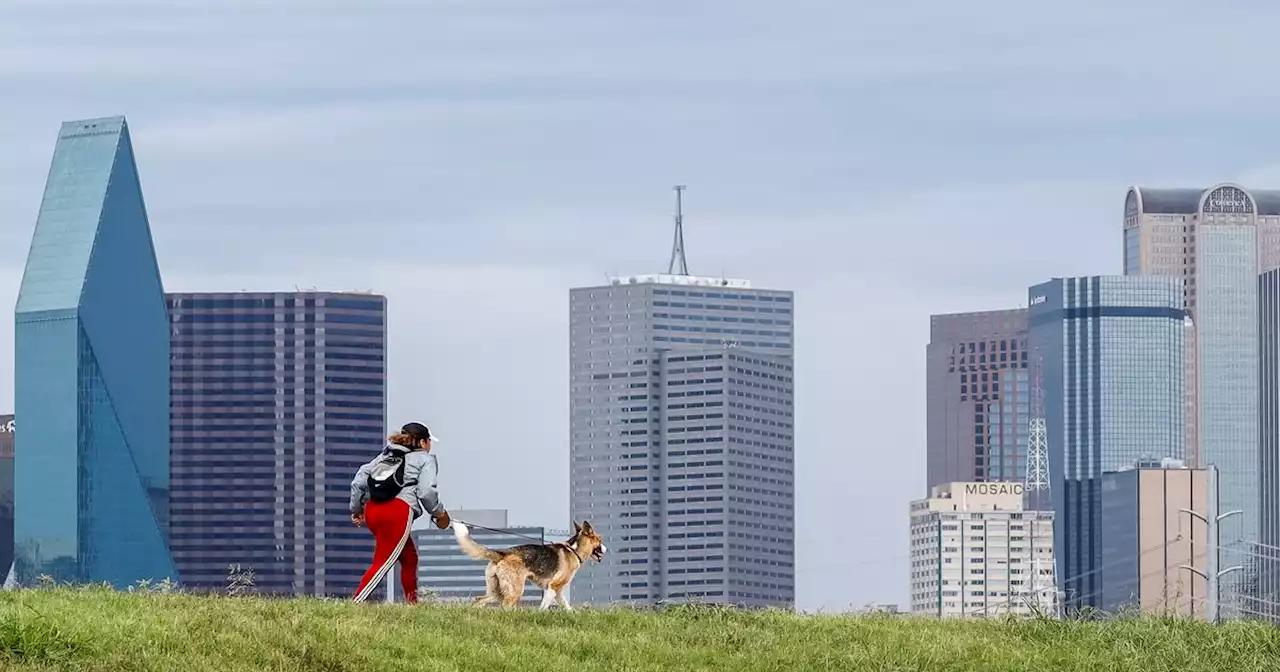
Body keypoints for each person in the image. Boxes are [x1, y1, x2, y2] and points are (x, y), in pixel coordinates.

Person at [349, 422, 450, 604]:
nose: (429, 445)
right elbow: (426, 492)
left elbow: (358, 482)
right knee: (383, 562)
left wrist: (357, 509)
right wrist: (439, 514)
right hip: (397, 513)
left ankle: (412, 604)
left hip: (373, 510)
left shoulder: (384, 456)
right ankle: (356, 602)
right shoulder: (425, 459)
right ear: (421, 443)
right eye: (428, 441)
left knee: (409, 557)